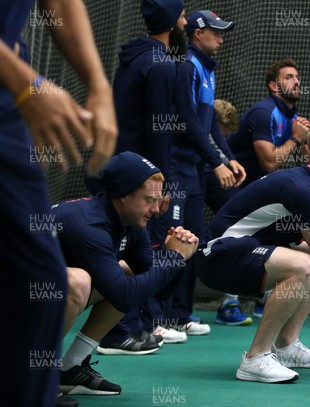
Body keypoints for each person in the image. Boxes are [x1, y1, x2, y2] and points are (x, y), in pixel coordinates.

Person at [192, 117, 310, 383]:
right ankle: (254, 359)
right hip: (217, 258)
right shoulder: (300, 187)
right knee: (305, 265)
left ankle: (286, 346)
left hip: (247, 252)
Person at [0, 0, 117, 406]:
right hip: (15, 86)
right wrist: (25, 81)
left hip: (8, 108)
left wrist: (99, 86)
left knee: (47, 285)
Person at [55, 152, 199, 396]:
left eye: (158, 199)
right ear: (123, 195)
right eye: (149, 200)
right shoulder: (88, 223)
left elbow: (160, 291)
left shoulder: (129, 223)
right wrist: (174, 258)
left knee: (125, 271)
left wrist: (180, 259)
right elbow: (123, 296)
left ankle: (70, 368)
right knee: (76, 282)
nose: (156, 209)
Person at [104, 0, 190, 349]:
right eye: (183, 15)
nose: (186, 20)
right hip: (137, 176)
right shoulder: (161, 64)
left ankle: (132, 325)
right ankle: (121, 330)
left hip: (122, 169)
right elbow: (159, 129)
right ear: (172, 22)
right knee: (131, 251)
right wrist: (161, 183)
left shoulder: (133, 59)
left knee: (130, 248)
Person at [164, 9, 246, 336]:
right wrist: (216, 163)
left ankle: (181, 314)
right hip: (175, 167)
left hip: (194, 169)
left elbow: (209, 121)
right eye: (216, 31)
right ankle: (159, 317)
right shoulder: (188, 66)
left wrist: (228, 157)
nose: (221, 37)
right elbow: (188, 124)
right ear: (198, 33)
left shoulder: (208, 70)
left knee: (194, 239)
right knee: (173, 239)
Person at [213, 59, 310, 326]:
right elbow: (269, 161)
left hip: (263, 190)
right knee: (238, 237)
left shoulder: (293, 118)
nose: (297, 81)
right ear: (273, 85)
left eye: (297, 76)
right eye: (289, 77)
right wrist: (294, 138)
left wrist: (304, 140)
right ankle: (228, 303)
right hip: (231, 185)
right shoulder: (263, 112)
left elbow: (307, 157)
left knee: (280, 232)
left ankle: (264, 299)